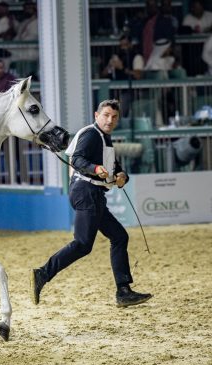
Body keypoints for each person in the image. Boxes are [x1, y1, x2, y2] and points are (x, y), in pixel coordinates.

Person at [31, 99, 152, 308]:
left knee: (119, 236)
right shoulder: (91, 134)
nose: (110, 120)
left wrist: (122, 175)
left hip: (92, 193)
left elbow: (115, 168)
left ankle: (123, 291)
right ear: (97, 116)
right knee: (83, 245)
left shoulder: (105, 139)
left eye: (114, 117)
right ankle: (43, 273)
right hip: (86, 191)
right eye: (106, 115)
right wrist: (96, 169)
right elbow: (77, 160)